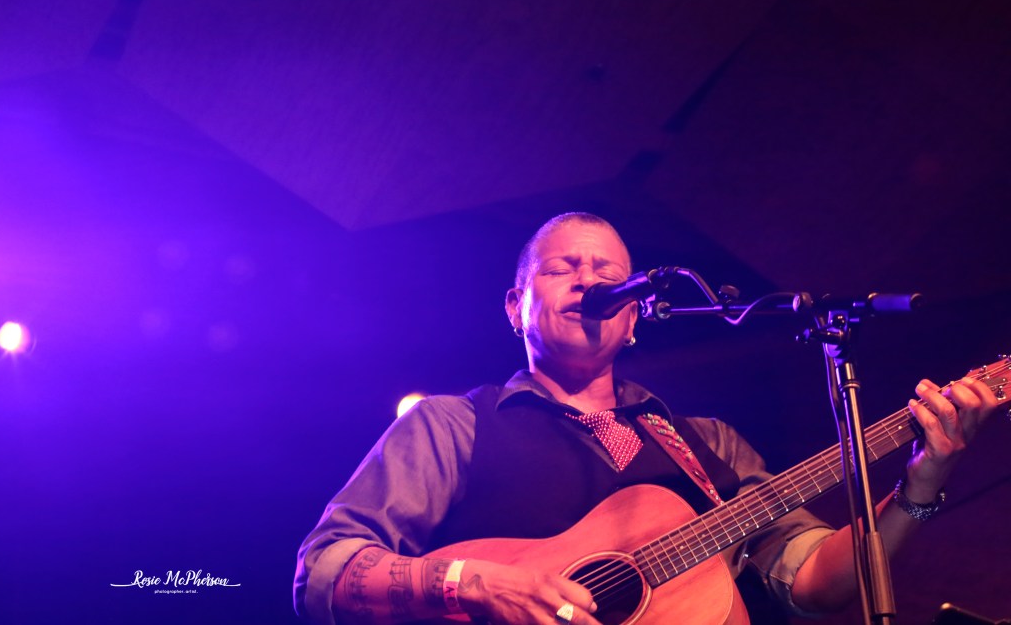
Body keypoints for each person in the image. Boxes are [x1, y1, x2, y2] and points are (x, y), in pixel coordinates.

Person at [294, 212, 998, 625]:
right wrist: (472, 583)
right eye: (562, 268)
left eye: (609, 274)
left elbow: (818, 584)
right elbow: (323, 572)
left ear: (633, 316)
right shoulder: (452, 426)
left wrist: (921, 485)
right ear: (516, 307)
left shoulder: (708, 444)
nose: (588, 280)